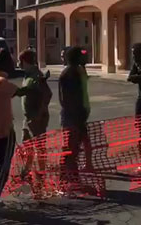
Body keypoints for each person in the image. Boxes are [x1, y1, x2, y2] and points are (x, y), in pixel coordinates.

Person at [0, 48, 29, 211]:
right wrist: (36, 84)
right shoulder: (0, 82)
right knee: (2, 168)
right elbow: (20, 91)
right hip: (4, 130)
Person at [18, 50, 52, 193]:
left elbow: (47, 94)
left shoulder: (36, 77)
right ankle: (26, 171)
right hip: (28, 118)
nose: (18, 63)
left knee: (39, 147)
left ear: (24, 61)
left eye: (20, 61)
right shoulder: (28, 75)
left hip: (36, 118)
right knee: (26, 145)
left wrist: (40, 112)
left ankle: (41, 175)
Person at [59, 47, 93, 190]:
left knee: (77, 146)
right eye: (82, 56)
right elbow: (65, 98)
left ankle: (70, 176)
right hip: (73, 117)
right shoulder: (69, 74)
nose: (84, 58)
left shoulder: (78, 71)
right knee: (71, 148)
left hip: (79, 115)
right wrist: (76, 115)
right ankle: (70, 178)